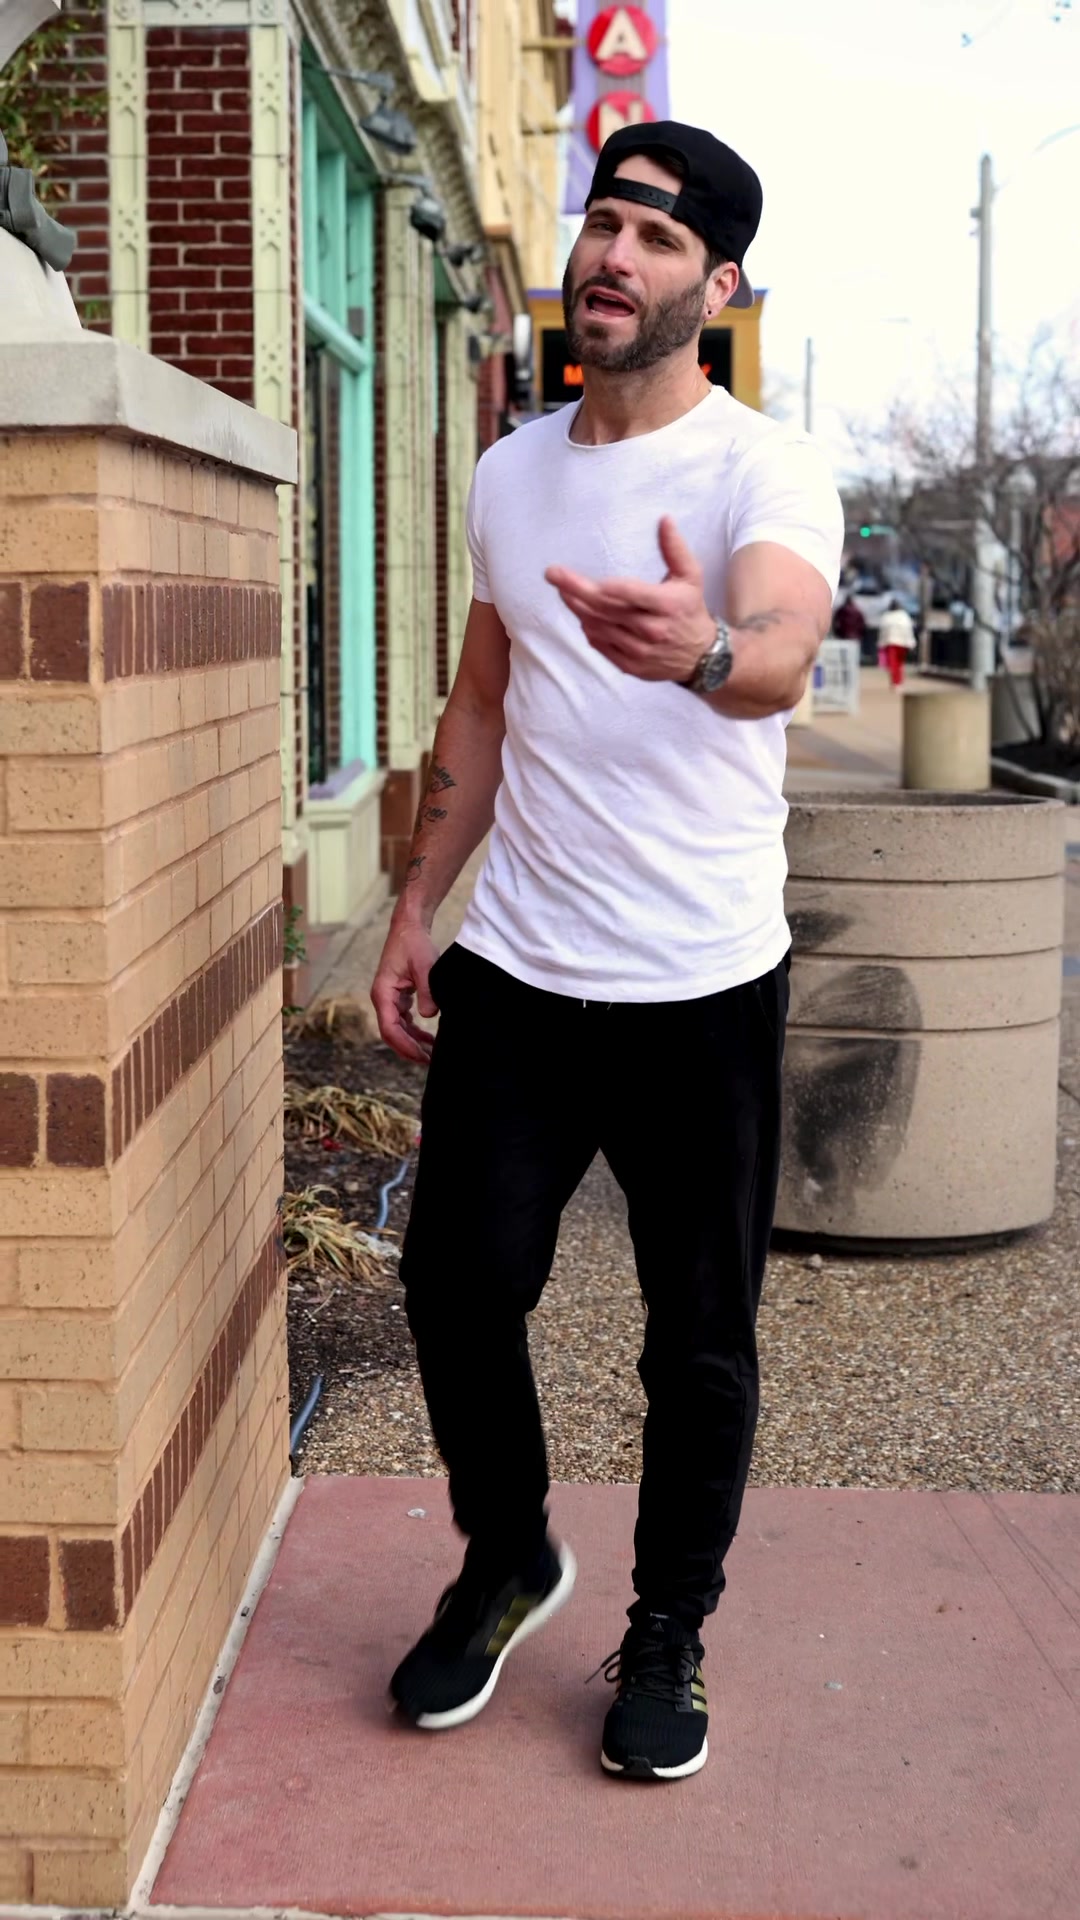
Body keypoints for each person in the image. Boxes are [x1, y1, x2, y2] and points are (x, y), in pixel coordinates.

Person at [371, 119, 844, 1782]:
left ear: (718, 286)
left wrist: (705, 646)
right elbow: (482, 701)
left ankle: (668, 1628)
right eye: (604, 223)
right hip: (522, 963)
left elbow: (781, 649)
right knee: (455, 1282)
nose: (612, 254)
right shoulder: (511, 471)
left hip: (701, 984)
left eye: (656, 237)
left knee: (696, 1337)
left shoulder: (762, 472)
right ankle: (508, 1555)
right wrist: (417, 901)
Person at [877, 596, 916, 686]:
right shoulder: (904, 616)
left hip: (892, 642)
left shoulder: (887, 617)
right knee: (898, 663)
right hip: (901, 643)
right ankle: (897, 680)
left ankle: (896, 681)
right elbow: (908, 630)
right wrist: (911, 642)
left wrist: (881, 643)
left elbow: (883, 632)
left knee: (894, 663)